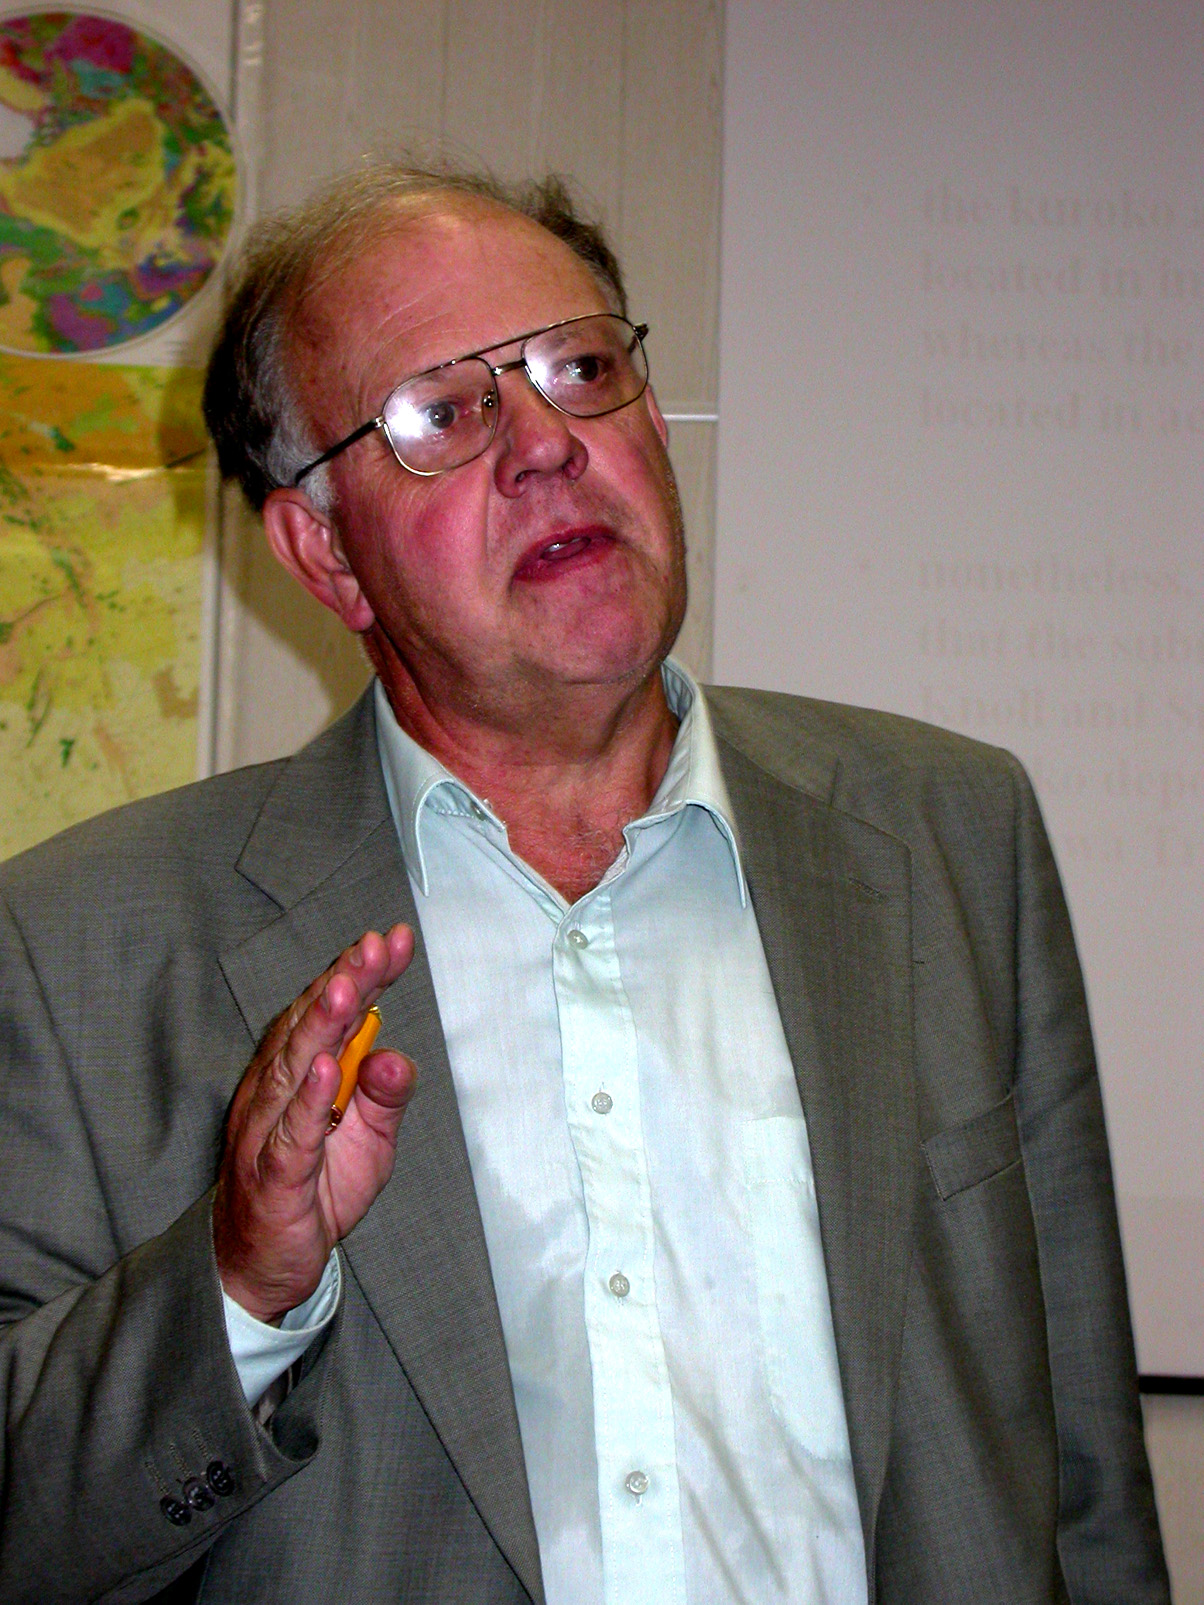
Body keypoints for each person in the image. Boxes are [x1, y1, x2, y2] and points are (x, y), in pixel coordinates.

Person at [0, 165, 1169, 1605]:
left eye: (583, 368)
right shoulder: (77, 946)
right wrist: (240, 1287)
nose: (548, 443)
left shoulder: (948, 831)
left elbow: (1078, 1477)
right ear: (326, 551)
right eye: (443, 412)